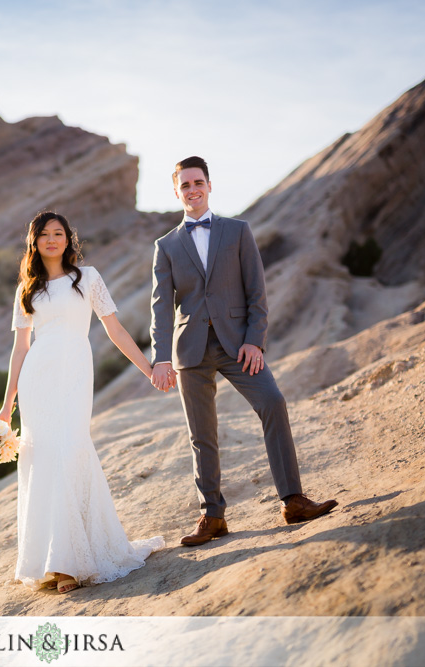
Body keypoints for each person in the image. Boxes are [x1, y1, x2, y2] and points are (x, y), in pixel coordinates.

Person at [149, 156, 337, 546]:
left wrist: (255, 339)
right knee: (201, 434)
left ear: (209, 185)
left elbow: (257, 291)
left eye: (198, 182)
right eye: (185, 185)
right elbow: (160, 306)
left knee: (272, 401)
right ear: (176, 191)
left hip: (238, 344)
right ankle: (212, 515)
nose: (192, 190)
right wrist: (161, 357)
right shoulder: (165, 246)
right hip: (191, 350)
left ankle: (293, 500)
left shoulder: (237, 231)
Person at [0, 210, 165, 594]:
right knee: (42, 457)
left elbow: (115, 328)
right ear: (35, 242)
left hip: (74, 371)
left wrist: (148, 368)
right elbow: (20, 349)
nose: (52, 240)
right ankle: (50, 563)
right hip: (38, 377)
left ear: (68, 239)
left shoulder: (88, 278)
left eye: (59, 233)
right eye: (45, 235)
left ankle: (72, 562)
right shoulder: (28, 288)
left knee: (71, 448)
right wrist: (7, 406)